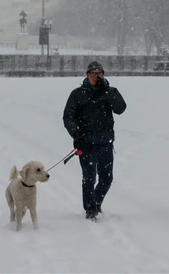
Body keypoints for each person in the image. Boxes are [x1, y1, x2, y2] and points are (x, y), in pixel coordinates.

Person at [63, 61, 127, 221]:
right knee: (89, 177)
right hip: (86, 143)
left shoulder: (110, 91)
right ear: (87, 75)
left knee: (107, 178)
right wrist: (76, 132)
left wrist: (108, 92)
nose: (96, 77)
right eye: (93, 74)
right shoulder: (78, 94)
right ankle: (90, 209)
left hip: (105, 142)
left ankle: (97, 202)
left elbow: (120, 109)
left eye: (99, 74)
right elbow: (68, 117)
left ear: (103, 75)